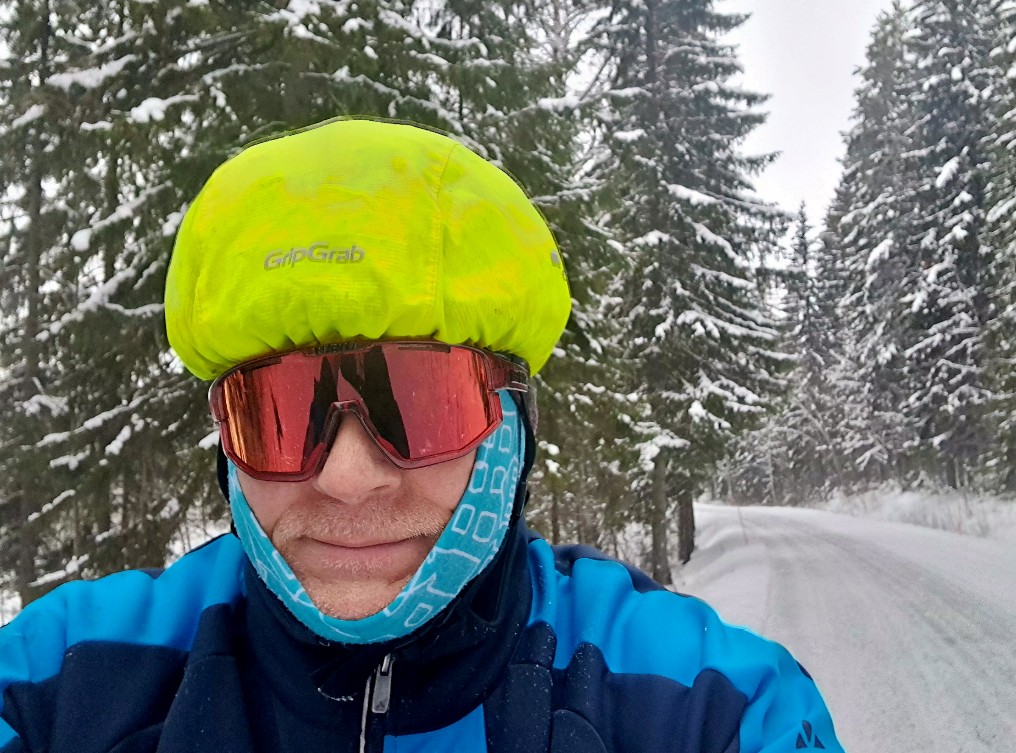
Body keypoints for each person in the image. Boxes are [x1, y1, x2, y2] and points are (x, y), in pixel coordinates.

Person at [0, 118, 844, 753]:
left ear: (514, 425)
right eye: (279, 415)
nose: (348, 476)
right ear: (226, 443)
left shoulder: (709, 708)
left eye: (421, 404)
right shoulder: (58, 680)